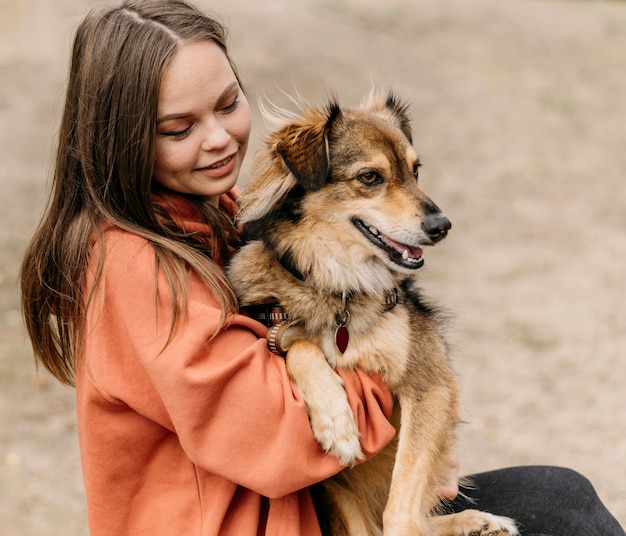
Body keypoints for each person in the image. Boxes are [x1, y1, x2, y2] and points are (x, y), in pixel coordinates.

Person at [19, 1, 624, 535]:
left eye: (229, 104)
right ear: (120, 140)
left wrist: (416, 449)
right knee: (563, 508)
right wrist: (398, 397)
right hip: (262, 521)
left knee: (560, 497)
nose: (220, 139)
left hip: (322, 507)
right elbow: (281, 437)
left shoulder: (219, 212)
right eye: (179, 128)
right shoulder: (130, 265)